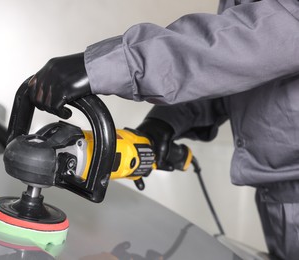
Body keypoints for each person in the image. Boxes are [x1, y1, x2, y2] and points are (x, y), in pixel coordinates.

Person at [27, 0, 299, 259]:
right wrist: (164, 122)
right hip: (279, 199)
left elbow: (255, 42)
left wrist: (109, 64)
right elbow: (240, 72)